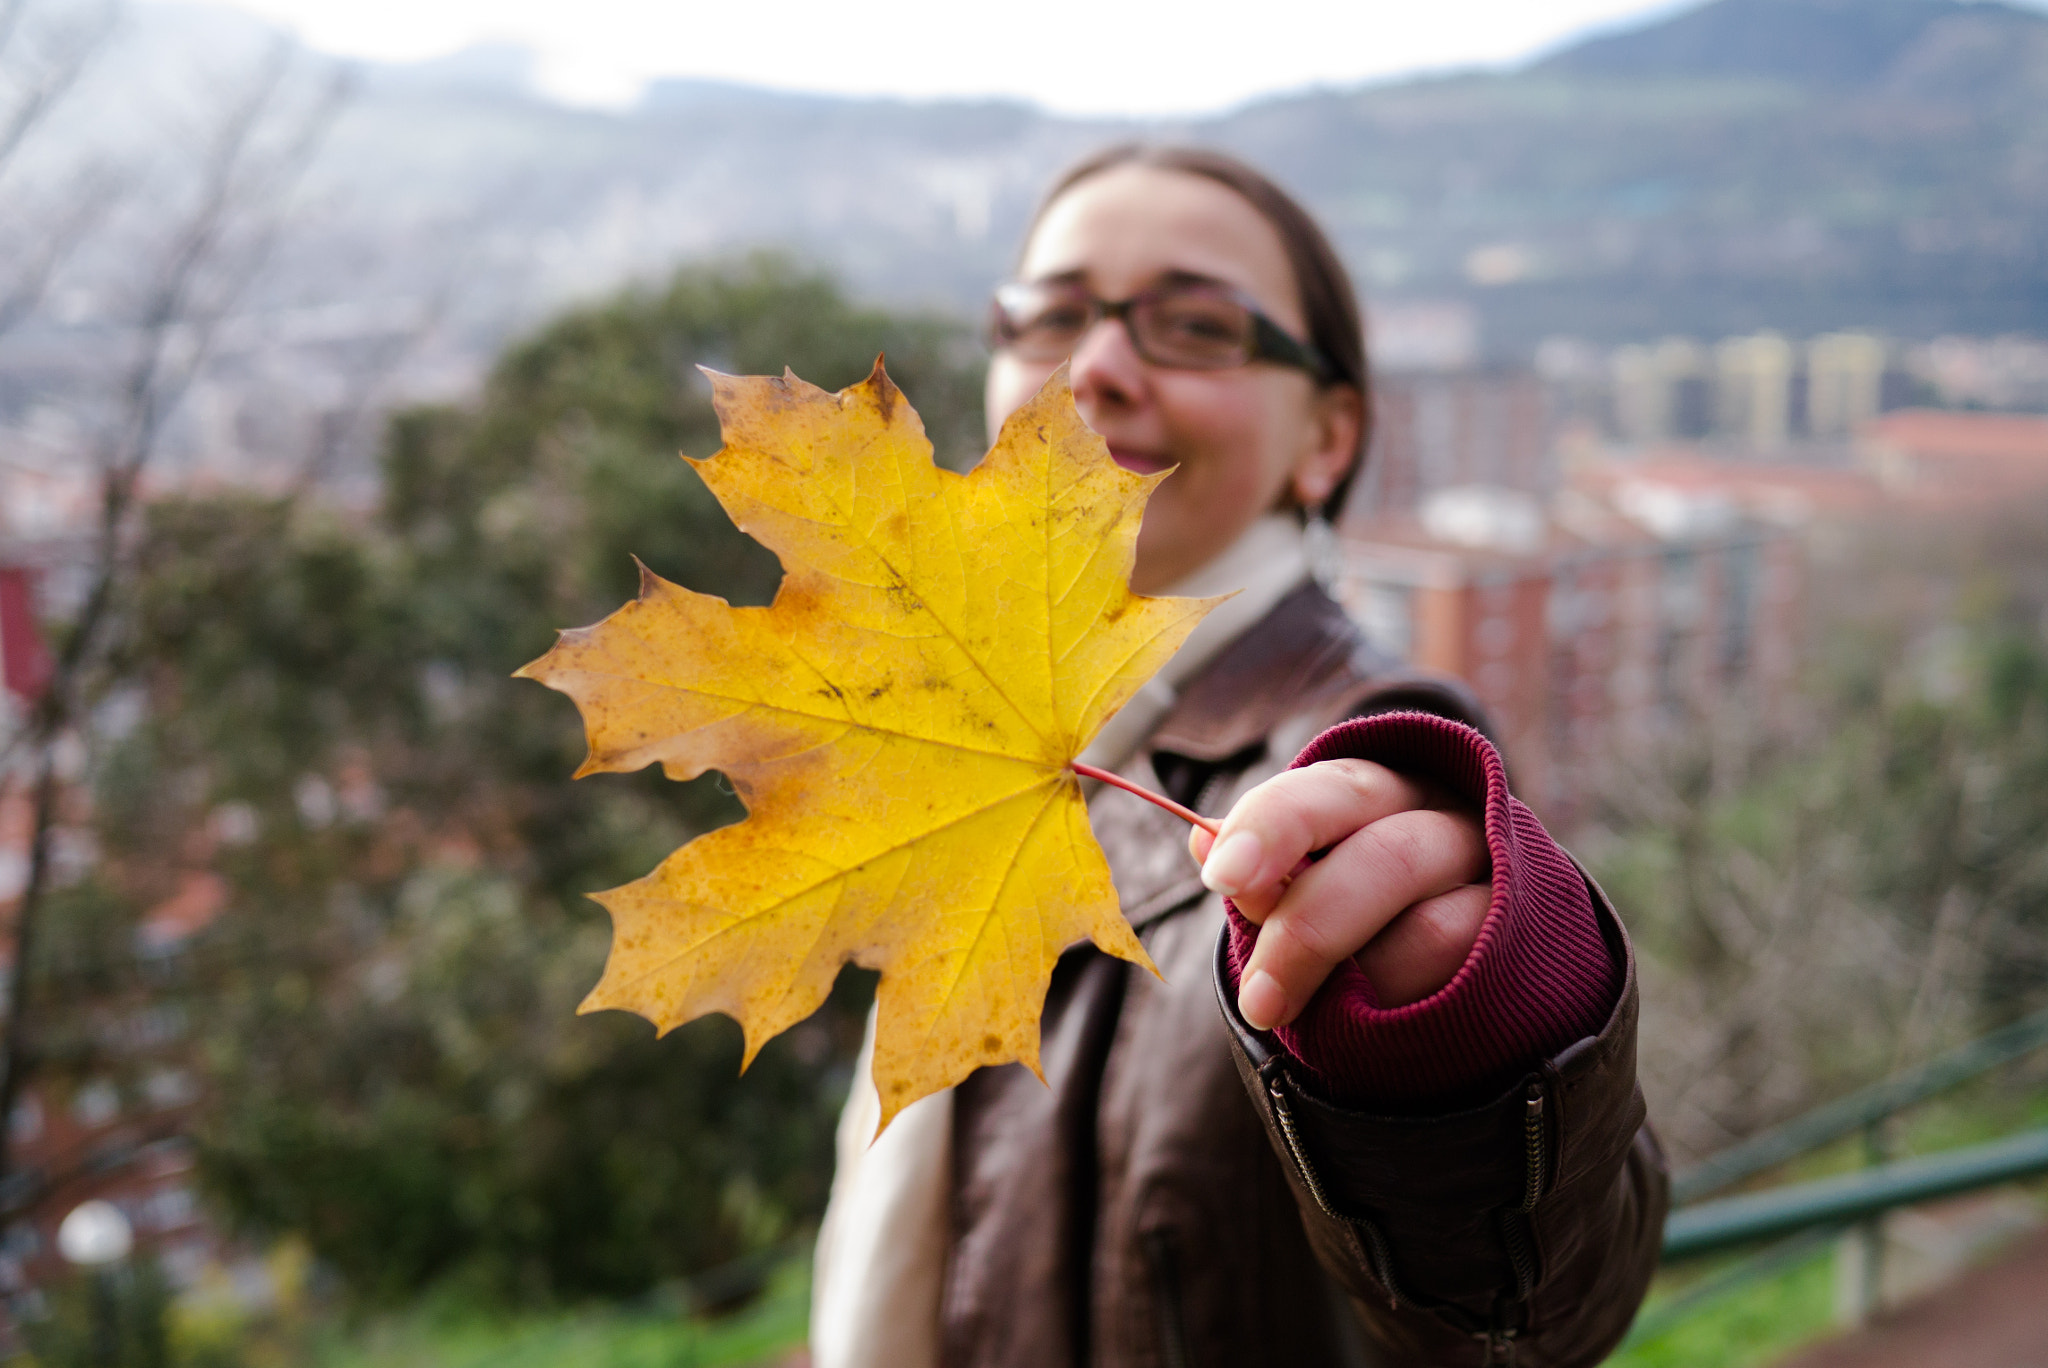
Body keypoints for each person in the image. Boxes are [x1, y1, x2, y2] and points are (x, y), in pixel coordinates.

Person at [811, 144, 1667, 1368]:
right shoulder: (991, 743)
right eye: (1050, 314)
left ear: (1326, 437)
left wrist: (1466, 1033)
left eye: (1196, 327)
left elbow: (1539, 1309)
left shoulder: (1350, 766)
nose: (1092, 366)